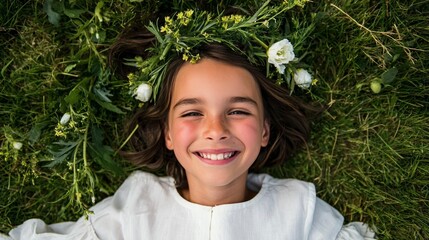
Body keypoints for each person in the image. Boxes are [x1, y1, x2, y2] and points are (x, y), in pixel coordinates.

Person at [1, 2, 376, 240]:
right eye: (193, 112)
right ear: (166, 132)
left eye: (238, 110)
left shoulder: (300, 212)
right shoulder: (135, 208)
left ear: (265, 130)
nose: (215, 130)